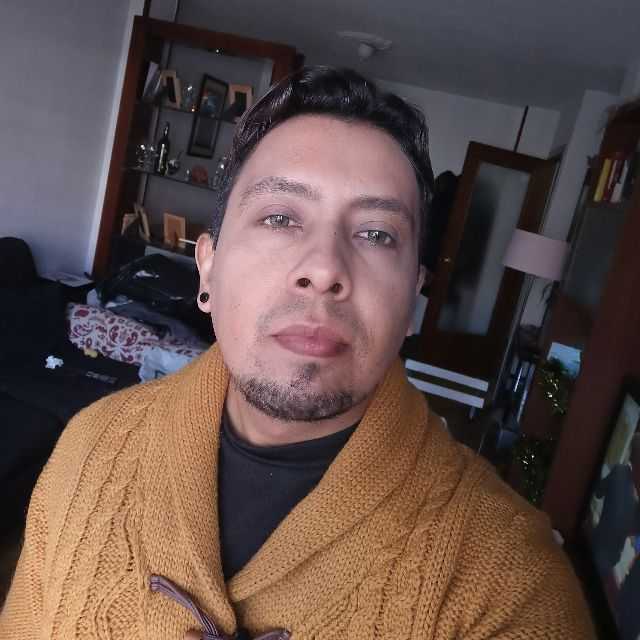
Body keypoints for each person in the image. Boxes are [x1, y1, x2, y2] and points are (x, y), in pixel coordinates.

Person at [0, 66, 594, 639]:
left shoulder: (513, 587)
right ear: (208, 267)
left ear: (413, 297)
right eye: (281, 217)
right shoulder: (88, 446)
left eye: (376, 234)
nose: (325, 268)